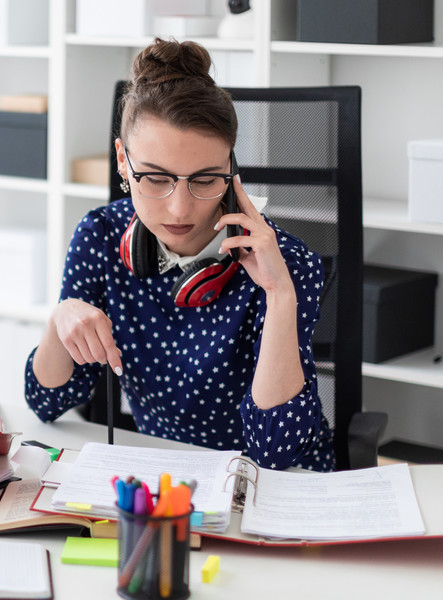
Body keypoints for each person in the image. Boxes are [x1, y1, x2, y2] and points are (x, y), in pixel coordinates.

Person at [23, 38, 334, 472]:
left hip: (267, 486)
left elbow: (277, 452)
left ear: (231, 169)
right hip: (159, 477)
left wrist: (280, 294)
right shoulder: (100, 235)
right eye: (154, 178)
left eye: (206, 179)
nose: (180, 208)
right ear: (121, 161)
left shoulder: (285, 262)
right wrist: (61, 318)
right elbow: (46, 402)